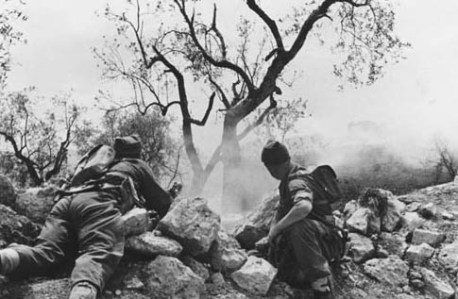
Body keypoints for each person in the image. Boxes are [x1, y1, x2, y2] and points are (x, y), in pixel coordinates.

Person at [0, 135, 172, 299]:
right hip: (98, 203)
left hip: (65, 201)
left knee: (45, 252)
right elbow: (162, 202)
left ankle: (6, 258)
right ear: (137, 153)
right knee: (98, 255)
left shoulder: (98, 165)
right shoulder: (137, 164)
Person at [261, 140, 343, 299]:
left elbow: (303, 207)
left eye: (270, 168)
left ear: (273, 167)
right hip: (320, 239)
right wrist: (272, 233)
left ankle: (322, 286)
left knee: (299, 227)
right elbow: (281, 209)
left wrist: (278, 229)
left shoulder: (295, 182)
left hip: (328, 243)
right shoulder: (292, 176)